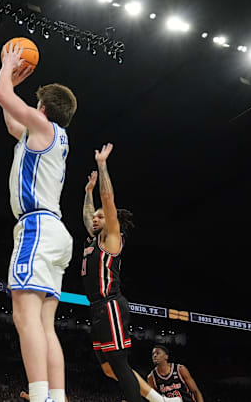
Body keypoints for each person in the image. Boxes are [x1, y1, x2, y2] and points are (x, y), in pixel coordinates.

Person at [0, 41, 77, 402]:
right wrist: (10, 84)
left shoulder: (41, 126)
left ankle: (40, 396)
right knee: (45, 325)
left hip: (38, 227)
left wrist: (7, 67)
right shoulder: (49, 135)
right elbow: (13, 122)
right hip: (56, 233)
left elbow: (1, 95)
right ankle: (55, 398)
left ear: (42, 108)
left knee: (24, 316)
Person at [82, 144, 180, 402]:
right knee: (107, 367)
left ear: (111, 220)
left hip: (111, 304)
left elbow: (108, 200)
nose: (95, 219)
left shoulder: (112, 238)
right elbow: (87, 215)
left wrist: (102, 166)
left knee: (118, 361)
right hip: (97, 307)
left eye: (100, 217)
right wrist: (87, 193)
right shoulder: (92, 241)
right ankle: (162, 401)